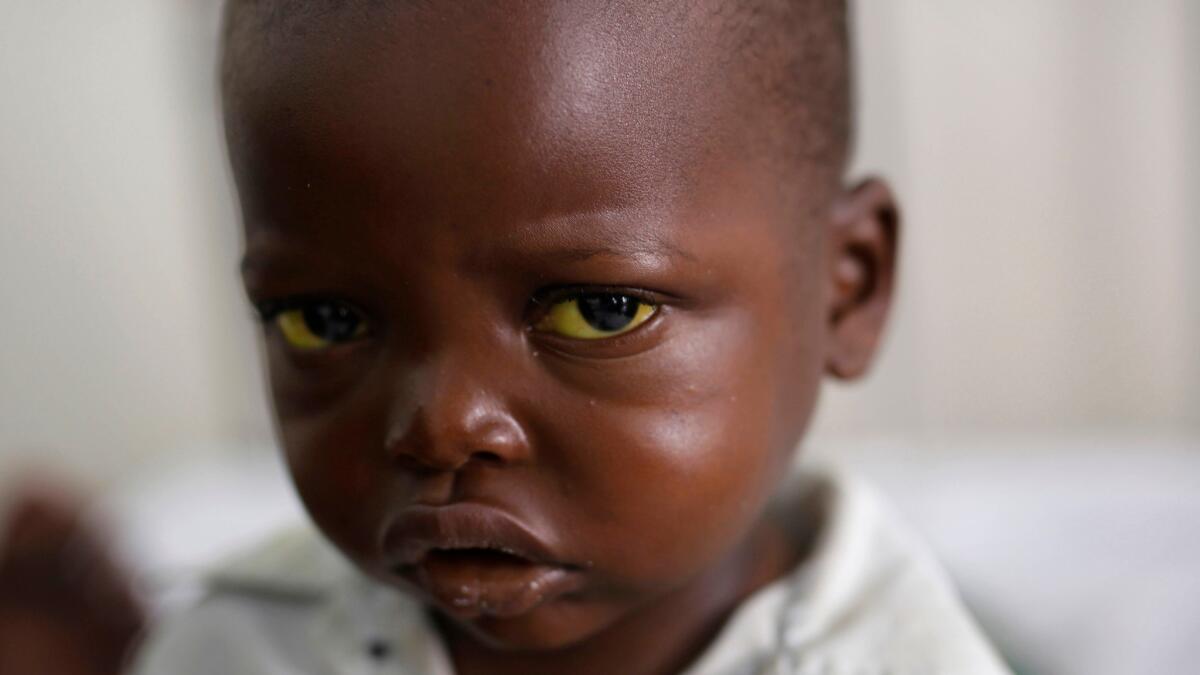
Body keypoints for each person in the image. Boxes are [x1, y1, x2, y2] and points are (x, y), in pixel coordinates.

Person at [8, 1, 1012, 673]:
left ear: (847, 293)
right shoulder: (242, 645)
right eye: (328, 320)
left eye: (599, 310)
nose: (441, 426)